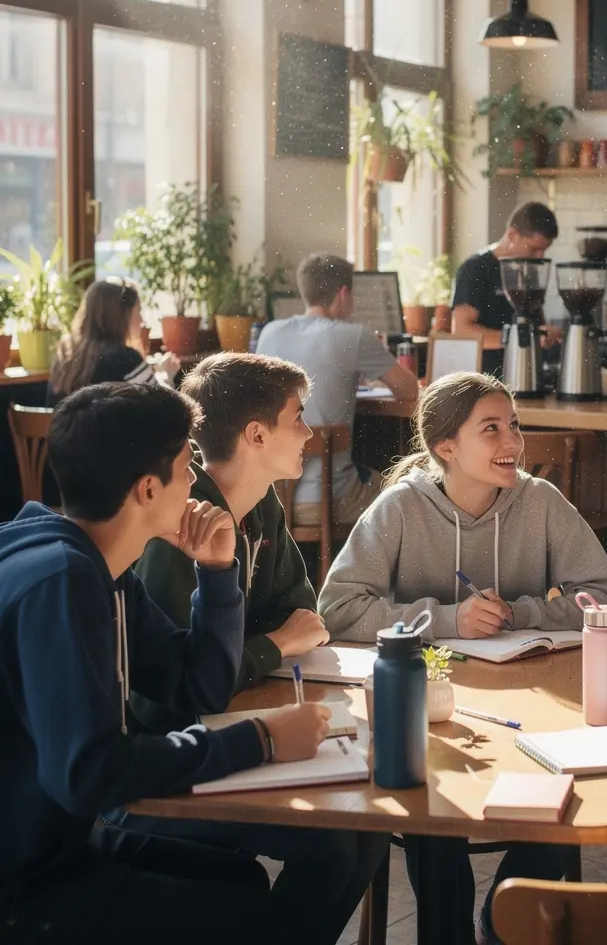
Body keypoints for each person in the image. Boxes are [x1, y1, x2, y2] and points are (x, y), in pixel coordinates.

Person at [0, 381, 335, 944]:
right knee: (252, 917)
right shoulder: (62, 582)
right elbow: (89, 774)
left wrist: (219, 572)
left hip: (55, 847)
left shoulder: (99, 566)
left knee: (243, 882)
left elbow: (197, 686)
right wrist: (261, 739)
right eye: (186, 467)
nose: (196, 479)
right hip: (23, 883)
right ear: (149, 490)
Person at [317, 371, 607, 944]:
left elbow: (606, 599)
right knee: (435, 809)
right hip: (432, 709)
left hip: (531, 704)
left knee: (567, 796)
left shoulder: (540, 502)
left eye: (515, 425)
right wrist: (448, 619)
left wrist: (524, 613)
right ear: (446, 447)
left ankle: (500, 923)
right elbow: (336, 609)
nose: (513, 442)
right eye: (492, 429)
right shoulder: (399, 508)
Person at [124, 352, 390, 942]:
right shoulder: (182, 526)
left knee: (368, 829)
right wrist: (272, 645)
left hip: (236, 717)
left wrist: (267, 643)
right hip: (175, 751)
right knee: (331, 846)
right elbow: (175, 687)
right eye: (299, 417)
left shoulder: (263, 503)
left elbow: (303, 613)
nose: (310, 433)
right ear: (256, 434)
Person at [256, 252, 418, 525]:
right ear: (343, 293)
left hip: (271, 500)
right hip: (330, 500)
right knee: (404, 492)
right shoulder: (353, 335)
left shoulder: (270, 332)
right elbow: (409, 389)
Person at [451, 201, 561, 375]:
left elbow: (537, 323)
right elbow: (462, 331)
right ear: (512, 235)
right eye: (534, 249)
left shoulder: (528, 269)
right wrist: (516, 338)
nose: (540, 256)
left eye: (544, 250)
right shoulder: (475, 269)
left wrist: (545, 336)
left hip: (525, 373)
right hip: (486, 378)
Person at [47, 277, 180, 406]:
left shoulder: (65, 354)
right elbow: (165, 406)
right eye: (138, 312)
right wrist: (166, 375)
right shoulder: (126, 358)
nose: (142, 321)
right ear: (123, 317)